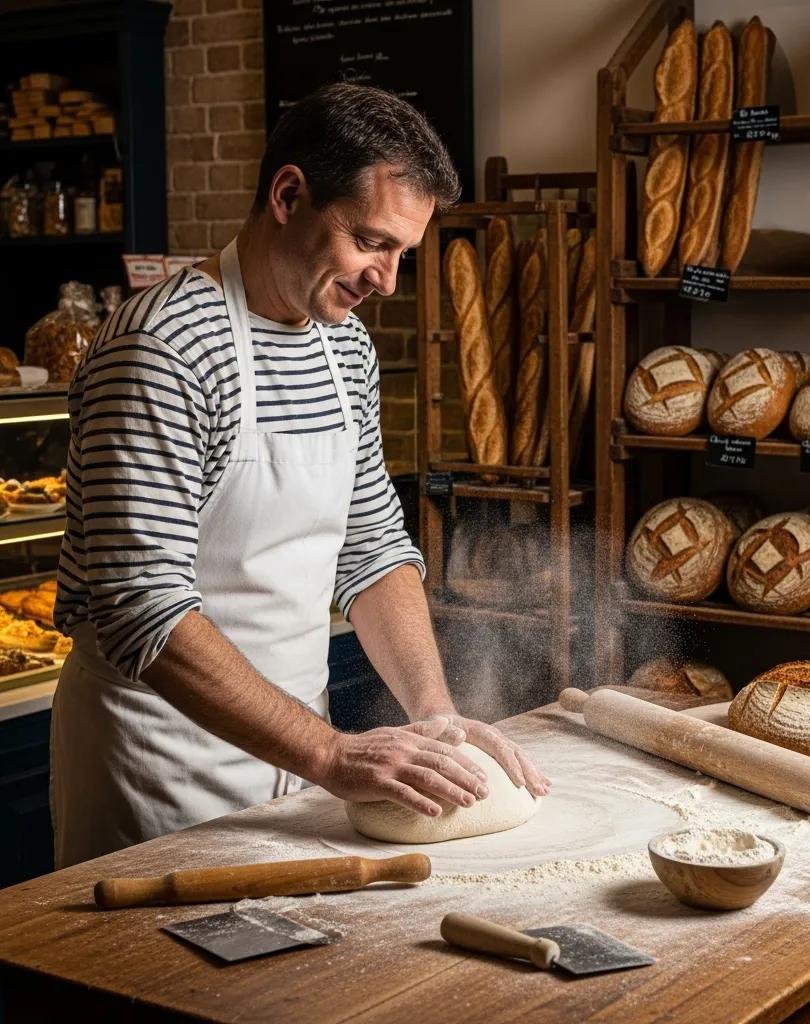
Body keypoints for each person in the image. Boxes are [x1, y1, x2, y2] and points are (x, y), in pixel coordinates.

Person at [50, 83, 548, 868]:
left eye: (403, 255)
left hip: (300, 753)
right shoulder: (163, 347)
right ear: (289, 195)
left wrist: (434, 715)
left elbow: (373, 545)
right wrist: (330, 755)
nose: (387, 279)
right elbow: (138, 603)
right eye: (372, 242)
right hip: (163, 762)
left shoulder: (343, 346)